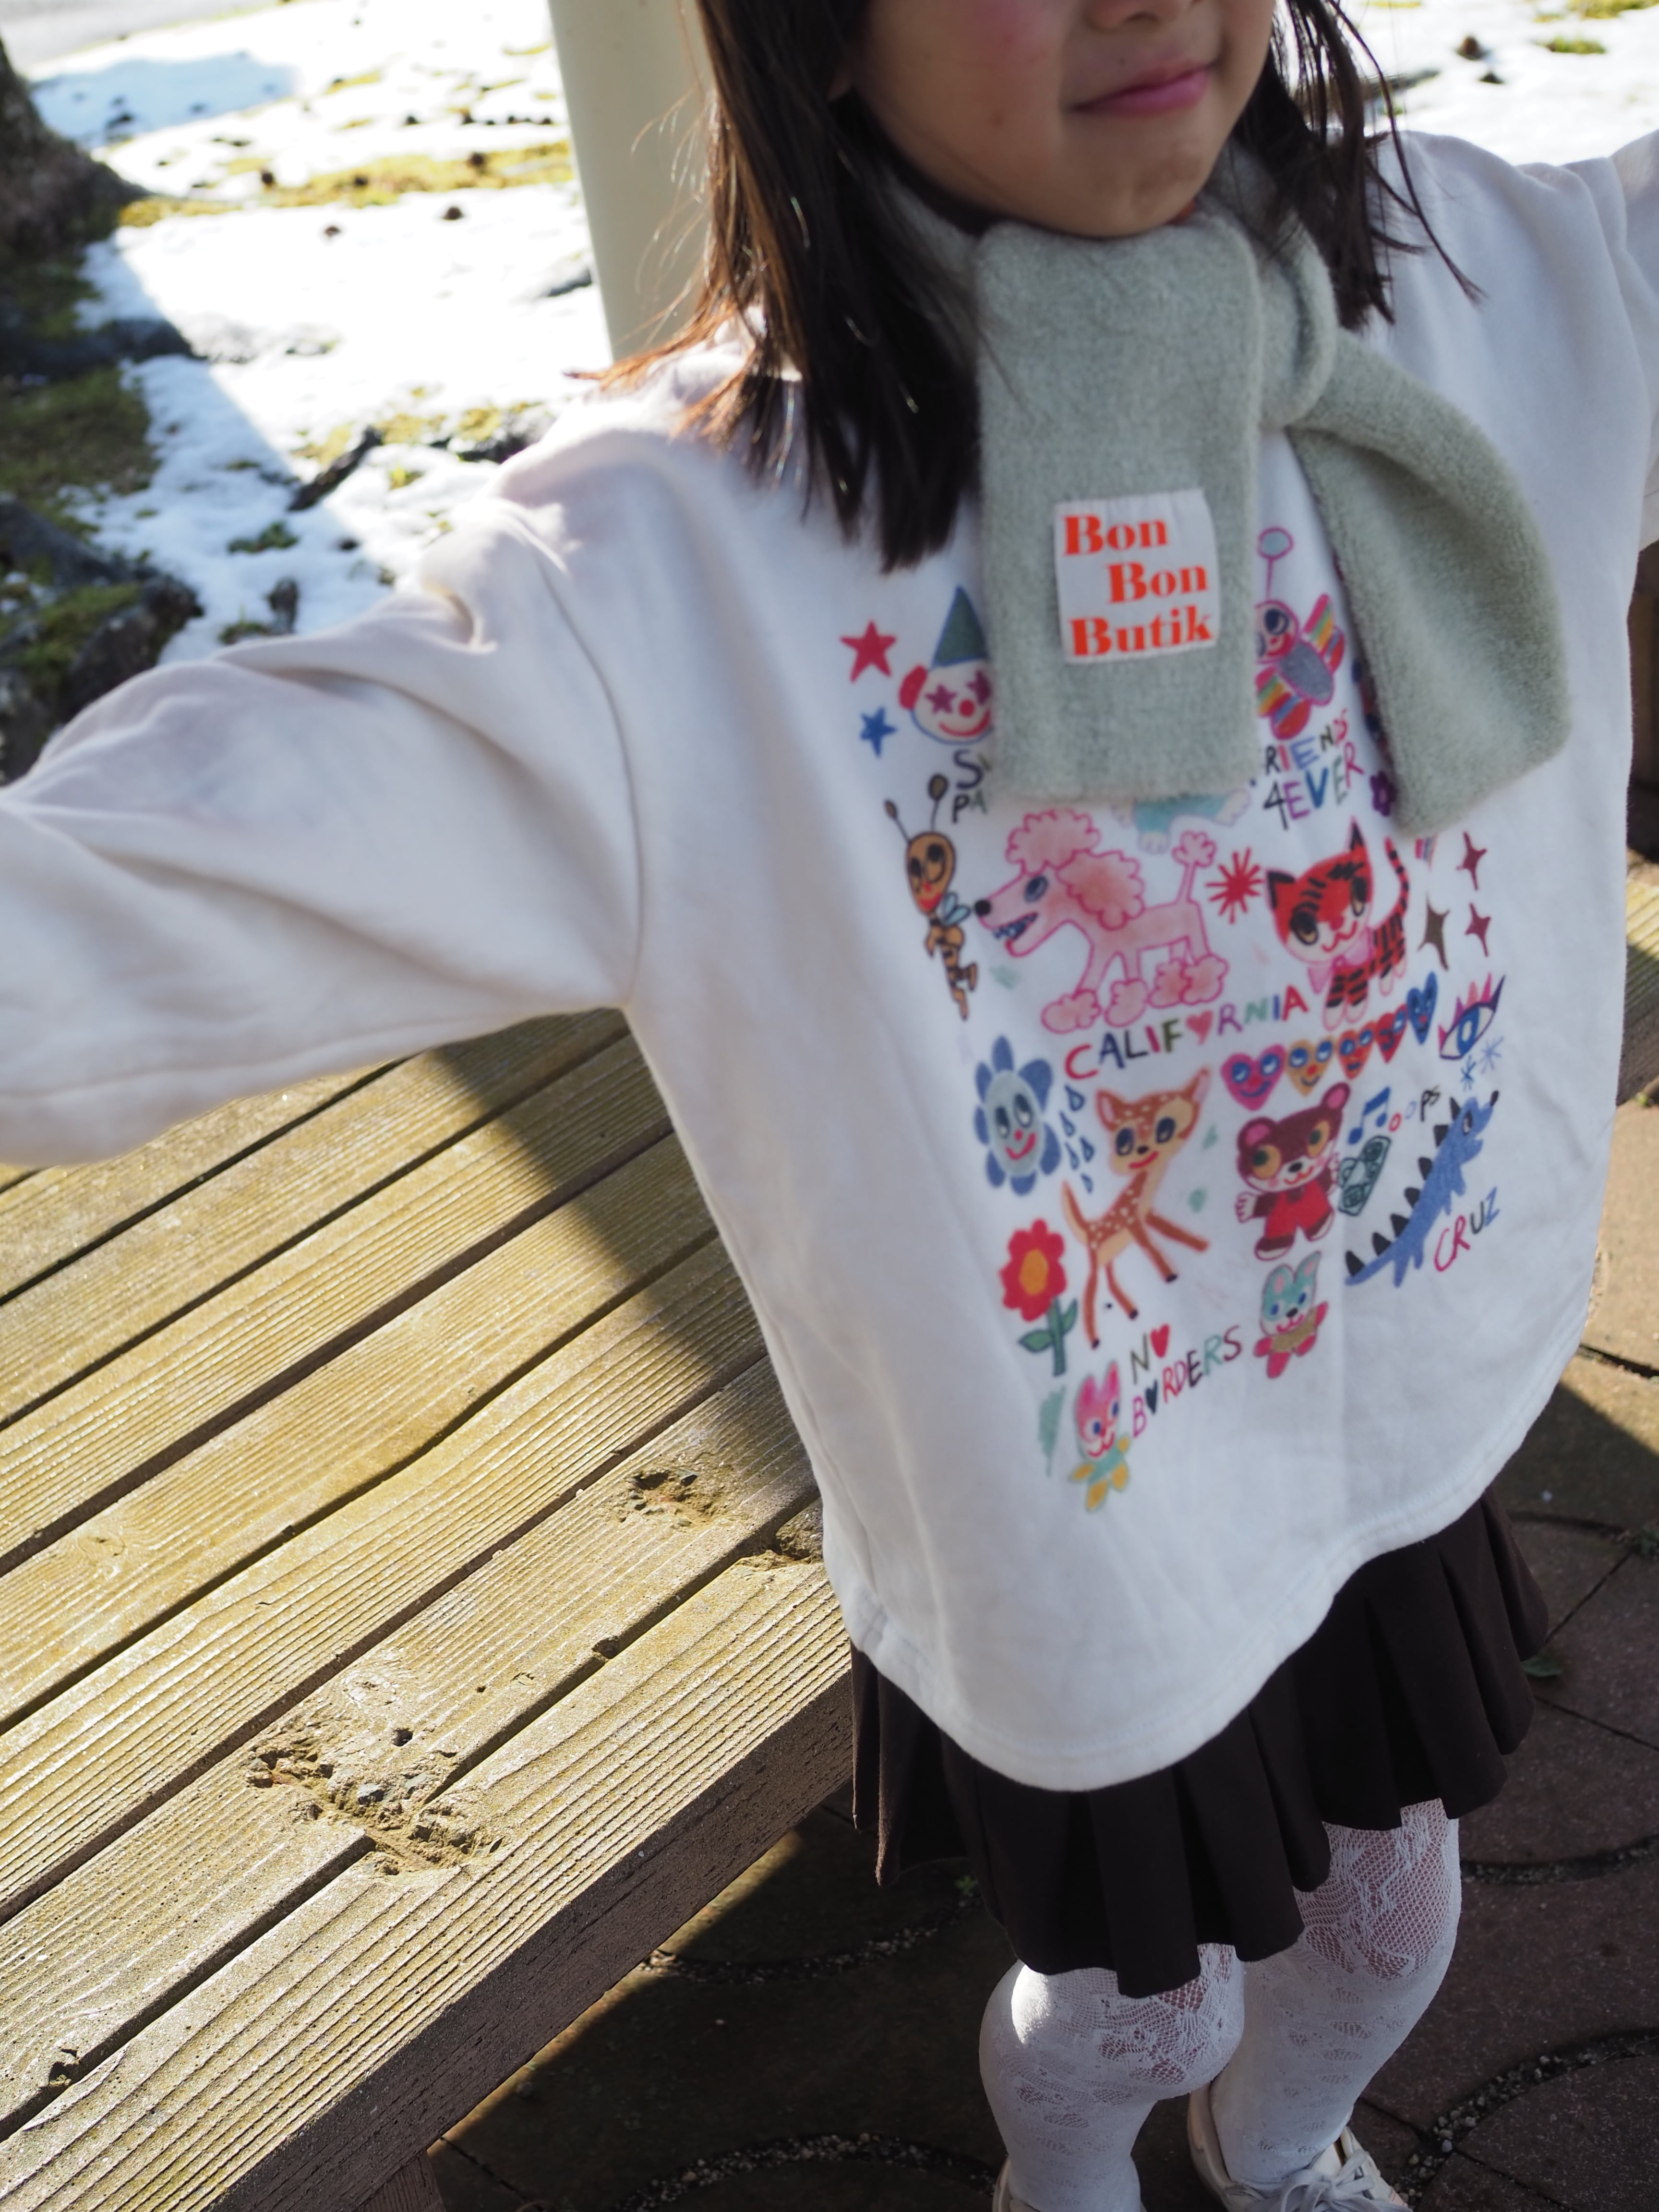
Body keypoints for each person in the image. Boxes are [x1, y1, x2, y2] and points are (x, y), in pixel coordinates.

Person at [0, 2, 1652, 2205]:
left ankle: (1284, 2156)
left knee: (1390, 1913)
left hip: (1397, 1429)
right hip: (1096, 1527)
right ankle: (1065, 2185)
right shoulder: (673, 585)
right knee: (1143, 2004)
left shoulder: (1493, 289)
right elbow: (131, 907)